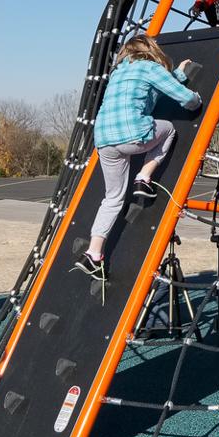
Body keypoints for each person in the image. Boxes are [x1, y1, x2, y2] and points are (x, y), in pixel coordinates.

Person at [77, 34, 202, 279]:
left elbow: (154, 93)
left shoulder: (119, 72)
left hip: (104, 139)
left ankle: (93, 254)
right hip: (133, 135)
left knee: (112, 198)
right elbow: (186, 99)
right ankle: (144, 177)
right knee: (168, 129)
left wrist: (179, 74)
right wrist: (197, 100)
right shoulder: (150, 67)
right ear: (150, 50)